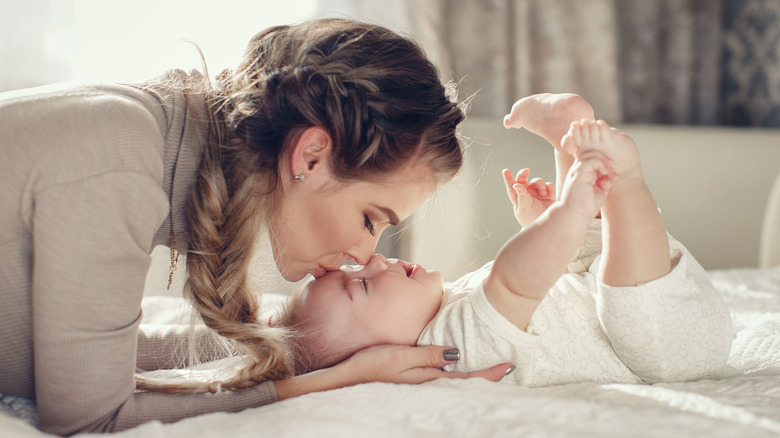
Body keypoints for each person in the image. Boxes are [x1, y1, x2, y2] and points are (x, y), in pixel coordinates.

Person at [0, 18, 512, 436]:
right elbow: (89, 418)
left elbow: (89, 358)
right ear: (311, 155)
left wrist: (293, 351)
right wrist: (332, 381)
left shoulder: (149, 141)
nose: (362, 253)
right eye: (368, 219)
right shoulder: (119, 165)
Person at [279, 95, 734, 386]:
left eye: (360, 270)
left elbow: (537, 286)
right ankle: (625, 180)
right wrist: (564, 215)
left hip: (603, 294)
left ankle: (568, 143)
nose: (376, 260)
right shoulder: (446, 349)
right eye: (362, 285)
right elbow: (516, 283)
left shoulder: (446, 305)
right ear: (382, 355)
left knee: (594, 251)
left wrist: (548, 228)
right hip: (669, 350)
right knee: (624, 288)